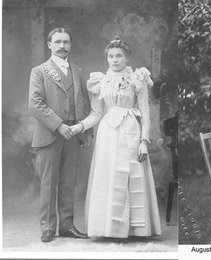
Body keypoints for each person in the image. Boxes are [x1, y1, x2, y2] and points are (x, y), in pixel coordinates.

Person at [69, 36, 162, 238]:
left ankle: (134, 229)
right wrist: (79, 127)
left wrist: (144, 142)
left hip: (131, 131)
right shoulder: (100, 81)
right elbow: (96, 113)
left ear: (127, 57)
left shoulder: (138, 78)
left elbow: (145, 112)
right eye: (111, 56)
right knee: (108, 178)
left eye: (119, 55)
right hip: (108, 134)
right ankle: (109, 229)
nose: (114, 59)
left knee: (131, 174)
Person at [28, 27, 92, 242]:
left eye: (66, 42)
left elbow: (83, 102)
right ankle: (48, 227)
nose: (62, 46)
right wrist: (58, 125)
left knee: (68, 181)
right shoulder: (40, 71)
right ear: (49, 45)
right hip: (50, 134)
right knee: (49, 182)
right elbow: (35, 105)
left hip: (73, 133)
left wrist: (85, 130)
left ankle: (66, 225)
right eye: (58, 42)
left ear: (70, 45)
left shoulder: (76, 70)